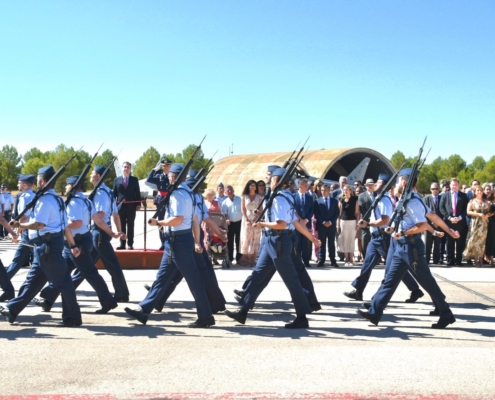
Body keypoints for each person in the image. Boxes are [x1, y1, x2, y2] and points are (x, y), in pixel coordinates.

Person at [356, 167, 459, 329]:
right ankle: (374, 312)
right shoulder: (406, 198)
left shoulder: (413, 202)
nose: (395, 185)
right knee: (389, 280)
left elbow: (422, 224)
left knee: (427, 281)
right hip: (400, 246)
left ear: (403, 182)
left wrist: (403, 232)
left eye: (397, 181)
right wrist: (449, 230)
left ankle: (446, 314)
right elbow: (433, 216)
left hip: (411, 248)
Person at [125, 163, 215, 327]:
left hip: (178, 241)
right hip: (178, 240)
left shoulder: (177, 195)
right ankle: (144, 310)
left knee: (193, 280)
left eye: (170, 175)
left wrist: (158, 222)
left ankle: (206, 316)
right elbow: (195, 219)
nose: (167, 177)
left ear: (175, 177)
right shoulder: (189, 194)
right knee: (162, 278)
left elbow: (178, 219)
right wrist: (195, 240)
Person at [224, 167, 313, 329]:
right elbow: (295, 221)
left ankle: (302, 317)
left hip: (278, 241)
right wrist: (311, 237)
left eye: (271, 179)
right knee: (258, 276)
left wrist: (261, 224)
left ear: (277, 182)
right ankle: (242, 311)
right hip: (273, 241)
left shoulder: (279, 198)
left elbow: (282, 224)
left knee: (291, 281)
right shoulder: (285, 196)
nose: (268, 180)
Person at [2, 165, 82, 327]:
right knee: (33, 282)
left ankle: (73, 317)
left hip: (47, 247)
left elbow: (39, 224)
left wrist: (19, 225)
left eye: (38, 179)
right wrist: (72, 244)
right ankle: (12, 309)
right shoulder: (58, 199)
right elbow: (65, 225)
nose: (36, 182)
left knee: (64, 281)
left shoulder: (45, 200)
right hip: (44, 247)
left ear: (42, 181)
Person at [32, 175, 120, 314]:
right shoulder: (86, 200)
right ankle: (48, 299)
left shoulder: (73, 202)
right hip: (79, 241)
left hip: (77, 243)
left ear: (72, 186)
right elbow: (99, 220)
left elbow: (77, 222)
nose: (66, 188)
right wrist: (112, 233)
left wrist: (60, 226)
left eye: (67, 185)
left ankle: (108, 301)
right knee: (62, 272)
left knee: (90, 273)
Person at [83, 165, 130, 302]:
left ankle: (122, 294)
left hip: (100, 233)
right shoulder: (108, 191)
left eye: (92, 173)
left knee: (111, 264)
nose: (90, 175)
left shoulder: (100, 193)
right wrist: (119, 230)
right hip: (101, 232)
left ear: (98, 176)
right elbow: (115, 214)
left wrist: (85, 215)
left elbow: (101, 214)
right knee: (85, 265)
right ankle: (61, 290)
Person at [5, 174, 36, 282]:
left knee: (38, 261)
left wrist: (16, 233)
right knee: (19, 259)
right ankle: (4, 281)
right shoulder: (34, 195)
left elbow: (23, 217)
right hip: (33, 231)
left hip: (27, 232)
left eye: (19, 183)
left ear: (25, 185)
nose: (18, 184)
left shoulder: (24, 197)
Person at [113, 161, 142, 250]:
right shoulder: (116, 180)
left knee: (130, 225)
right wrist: (113, 206)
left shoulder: (134, 180)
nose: (126, 169)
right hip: (120, 207)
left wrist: (138, 204)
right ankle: (122, 244)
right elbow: (114, 194)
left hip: (131, 206)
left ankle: (130, 244)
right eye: (124, 167)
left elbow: (137, 193)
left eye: (128, 167)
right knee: (121, 226)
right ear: (122, 168)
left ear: (130, 169)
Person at [439, 178, 468, 266]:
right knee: (449, 242)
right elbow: (441, 207)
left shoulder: (463, 196)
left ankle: (458, 260)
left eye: (455, 185)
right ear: (450, 185)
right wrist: (449, 217)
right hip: (449, 222)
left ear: (458, 185)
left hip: (460, 222)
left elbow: (466, 208)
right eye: (452, 185)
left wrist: (459, 217)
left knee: (459, 242)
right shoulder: (445, 195)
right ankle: (450, 260)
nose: (454, 186)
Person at [146, 157, 172, 248]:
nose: (166, 167)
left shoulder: (173, 177)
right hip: (160, 200)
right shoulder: (159, 176)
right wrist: (154, 170)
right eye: (164, 165)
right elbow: (148, 180)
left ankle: (170, 241)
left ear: (170, 166)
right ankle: (163, 243)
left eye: (168, 165)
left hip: (170, 201)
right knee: (160, 222)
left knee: (170, 221)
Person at [463, 185, 491, 267]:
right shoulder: (472, 201)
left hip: (484, 223)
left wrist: (487, 215)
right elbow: (468, 212)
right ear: (475, 192)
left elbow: (488, 212)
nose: (480, 192)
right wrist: (478, 214)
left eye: (481, 190)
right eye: (478, 190)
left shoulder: (486, 202)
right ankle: (475, 258)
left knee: (482, 241)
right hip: (475, 223)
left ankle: (480, 258)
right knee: (474, 240)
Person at [314, 184, 339, 267]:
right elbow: (317, 214)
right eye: (322, 190)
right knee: (322, 243)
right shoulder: (318, 201)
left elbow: (337, 213)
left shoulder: (334, 201)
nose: (323, 192)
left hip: (331, 226)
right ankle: (321, 260)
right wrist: (323, 222)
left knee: (331, 243)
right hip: (322, 226)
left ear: (329, 191)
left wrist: (331, 222)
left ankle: (333, 260)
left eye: (325, 190)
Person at [239, 180, 263, 266]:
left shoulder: (259, 197)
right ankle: (248, 259)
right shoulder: (244, 197)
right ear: (248, 186)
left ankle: (254, 259)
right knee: (247, 239)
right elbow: (242, 209)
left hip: (256, 221)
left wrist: (255, 220)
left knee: (255, 239)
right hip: (246, 221)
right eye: (251, 185)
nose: (253, 187)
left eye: (254, 185)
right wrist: (247, 219)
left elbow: (261, 210)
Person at [293, 178, 314, 268]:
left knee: (305, 243)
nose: (307, 187)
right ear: (300, 186)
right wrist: (299, 220)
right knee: (297, 242)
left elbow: (311, 210)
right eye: (305, 185)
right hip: (296, 224)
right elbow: (292, 209)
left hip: (306, 223)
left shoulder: (309, 197)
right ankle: (297, 260)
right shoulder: (294, 196)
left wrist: (306, 220)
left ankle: (306, 261)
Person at [337, 184, 360, 266]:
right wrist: (338, 224)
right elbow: (339, 213)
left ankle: (351, 259)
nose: (345, 191)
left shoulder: (355, 199)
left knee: (351, 239)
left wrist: (358, 223)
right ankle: (346, 259)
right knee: (345, 239)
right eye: (344, 189)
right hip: (343, 221)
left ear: (350, 190)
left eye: (347, 189)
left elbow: (357, 213)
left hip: (352, 221)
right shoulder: (341, 199)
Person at [221, 185, 243, 264]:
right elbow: (225, 213)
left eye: (231, 190)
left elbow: (243, 210)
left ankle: (239, 258)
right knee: (230, 241)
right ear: (225, 192)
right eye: (228, 190)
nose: (229, 191)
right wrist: (227, 219)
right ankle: (230, 258)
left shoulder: (239, 199)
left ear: (233, 190)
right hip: (230, 224)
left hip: (239, 222)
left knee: (239, 241)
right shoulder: (225, 202)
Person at [423, 182, 442, 264]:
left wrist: (438, 222)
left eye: (436, 189)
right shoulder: (426, 199)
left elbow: (443, 211)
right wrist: (431, 222)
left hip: (439, 225)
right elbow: (423, 212)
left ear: (439, 189)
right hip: (428, 225)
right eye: (433, 189)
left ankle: (436, 260)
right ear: (430, 190)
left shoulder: (442, 198)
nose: (435, 190)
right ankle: (426, 260)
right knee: (428, 243)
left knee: (437, 243)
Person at [358, 178, 375, 259]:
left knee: (375, 240)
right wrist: (370, 216)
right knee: (365, 239)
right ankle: (366, 257)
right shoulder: (361, 196)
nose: (370, 186)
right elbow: (361, 208)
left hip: (376, 221)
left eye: (372, 184)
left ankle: (375, 258)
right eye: (369, 185)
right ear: (366, 186)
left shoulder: (377, 195)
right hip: (366, 220)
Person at [483, 183, 495, 264]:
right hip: (485, 221)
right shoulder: (482, 199)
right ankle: (484, 256)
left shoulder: (493, 199)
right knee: (485, 239)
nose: (488, 191)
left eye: (489, 189)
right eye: (487, 189)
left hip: (492, 220)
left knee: (492, 239)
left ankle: (491, 256)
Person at [354, 185, 364, 262]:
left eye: (360, 191)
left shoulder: (363, 199)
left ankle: (360, 253)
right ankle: (353, 255)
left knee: (360, 238)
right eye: (357, 191)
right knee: (353, 238)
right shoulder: (353, 199)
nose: (358, 193)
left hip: (361, 220)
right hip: (353, 220)